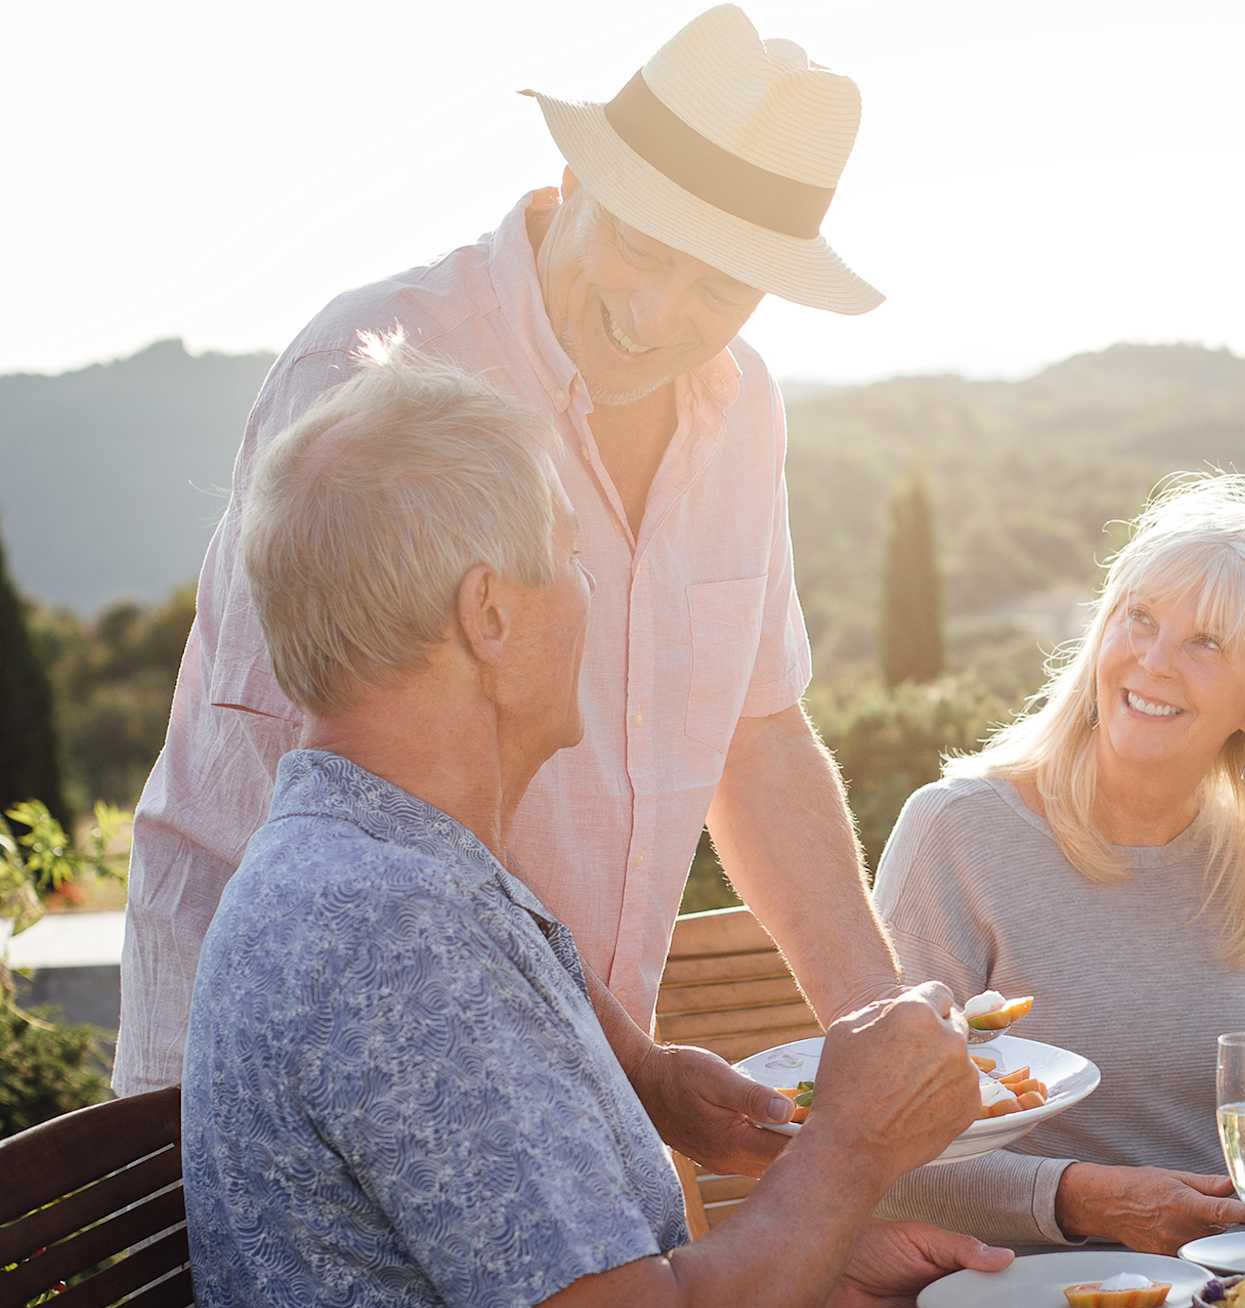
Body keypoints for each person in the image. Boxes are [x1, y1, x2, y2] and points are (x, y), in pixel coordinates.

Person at [182, 341, 1008, 1308]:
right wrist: (852, 1141)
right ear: (492, 613)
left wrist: (812, 1290)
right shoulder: (391, 933)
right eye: (572, 560)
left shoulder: (402, 873)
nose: (596, 600)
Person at [123, 7, 899, 1188]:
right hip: (310, 1064)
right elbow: (353, 796)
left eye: (719, 287)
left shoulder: (741, 411)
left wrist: (882, 1029)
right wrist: (630, 1063)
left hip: (563, 1061)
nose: (653, 316)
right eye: (642, 246)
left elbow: (758, 736)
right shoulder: (378, 375)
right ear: (574, 174)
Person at [866, 474, 1245, 1252]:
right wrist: (1082, 1201)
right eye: (1141, 619)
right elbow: (874, 1156)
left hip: (1235, 1295)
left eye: (1205, 642)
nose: (1154, 662)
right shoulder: (957, 834)